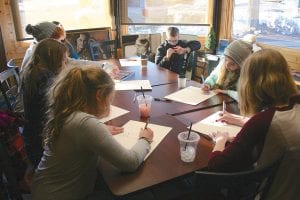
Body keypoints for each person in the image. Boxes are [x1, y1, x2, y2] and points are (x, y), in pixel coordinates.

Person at [31, 66, 154, 199]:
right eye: (110, 99)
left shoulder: (69, 113)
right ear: (99, 95)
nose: (110, 104)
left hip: (46, 190)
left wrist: (100, 129)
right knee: (145, 196)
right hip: (63, 195)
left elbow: (78, 134)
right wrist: (145, 139)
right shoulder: (85, 124)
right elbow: (130, 163)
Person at [207, 49, 299, 199]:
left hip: (270, 192)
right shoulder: (294, 104)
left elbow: (216, 166)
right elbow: (279, 128)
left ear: (249, 83)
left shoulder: (262, 120)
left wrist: (220, 140)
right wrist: (242, 121)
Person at [21, 38, 68, 168]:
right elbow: (61, 113)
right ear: (53, 60)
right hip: (42, 147)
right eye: (64, 61)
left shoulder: (34, 71)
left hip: (33, 139)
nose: (66, 65)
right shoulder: (46, 80)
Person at [21, 21, 119, 78]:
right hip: (37, 110)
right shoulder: (38, 59)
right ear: (48, 42)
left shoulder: (40, 49)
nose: (61, 45)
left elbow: (73, 62)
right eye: (59, 42)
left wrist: (102, 65)